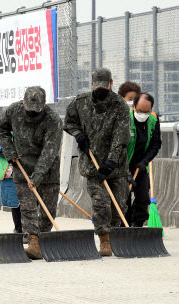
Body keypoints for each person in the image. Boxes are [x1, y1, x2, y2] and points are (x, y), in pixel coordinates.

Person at [64, 68, 130, 256]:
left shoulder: (120, 106)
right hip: (92, 165)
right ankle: (104, 240)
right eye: (97, 86)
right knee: (101, 204)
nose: (101, 89)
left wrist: (111, 162)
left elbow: (121, 137)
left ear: (111, 84)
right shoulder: (80, 103)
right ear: (92, 85)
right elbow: (69, 123)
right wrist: (78, 135)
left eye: (105, 86)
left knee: (119, 205)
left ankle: (116, 235)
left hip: (115, 166)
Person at [0, 86, 62, 260]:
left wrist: (37, 177)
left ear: (45, 104)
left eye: (37, 111)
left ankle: (43, 239)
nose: (32, 114)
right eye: (29, 110)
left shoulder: (53, 120)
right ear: (23, 102)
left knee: (48, 210)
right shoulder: (13, 111)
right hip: (21, 166)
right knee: (28, 208)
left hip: (48, 170)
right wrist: (9, 152)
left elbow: (49, 152)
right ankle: (33, 241)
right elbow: (0, 128)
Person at [125, 93, 161, 227]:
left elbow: (156, 144)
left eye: (147, 111)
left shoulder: (153, 120)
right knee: (124, 201)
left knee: (143, 199)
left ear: (151, 109)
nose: (143, 114)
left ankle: (137, 227)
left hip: (141, 166)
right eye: (140, 111)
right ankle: (124, 228)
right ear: (134, 106)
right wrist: (125, 171)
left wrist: (145, 161)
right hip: (123, 166)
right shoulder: (125, 119)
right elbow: (118, 147)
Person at [0, 133, 23, 239]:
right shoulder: (3, 129)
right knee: (15, 203)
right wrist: (3, 151)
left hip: (26, 170)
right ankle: (19, 229)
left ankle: (31, 231)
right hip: (9, 172)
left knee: (30, 203)